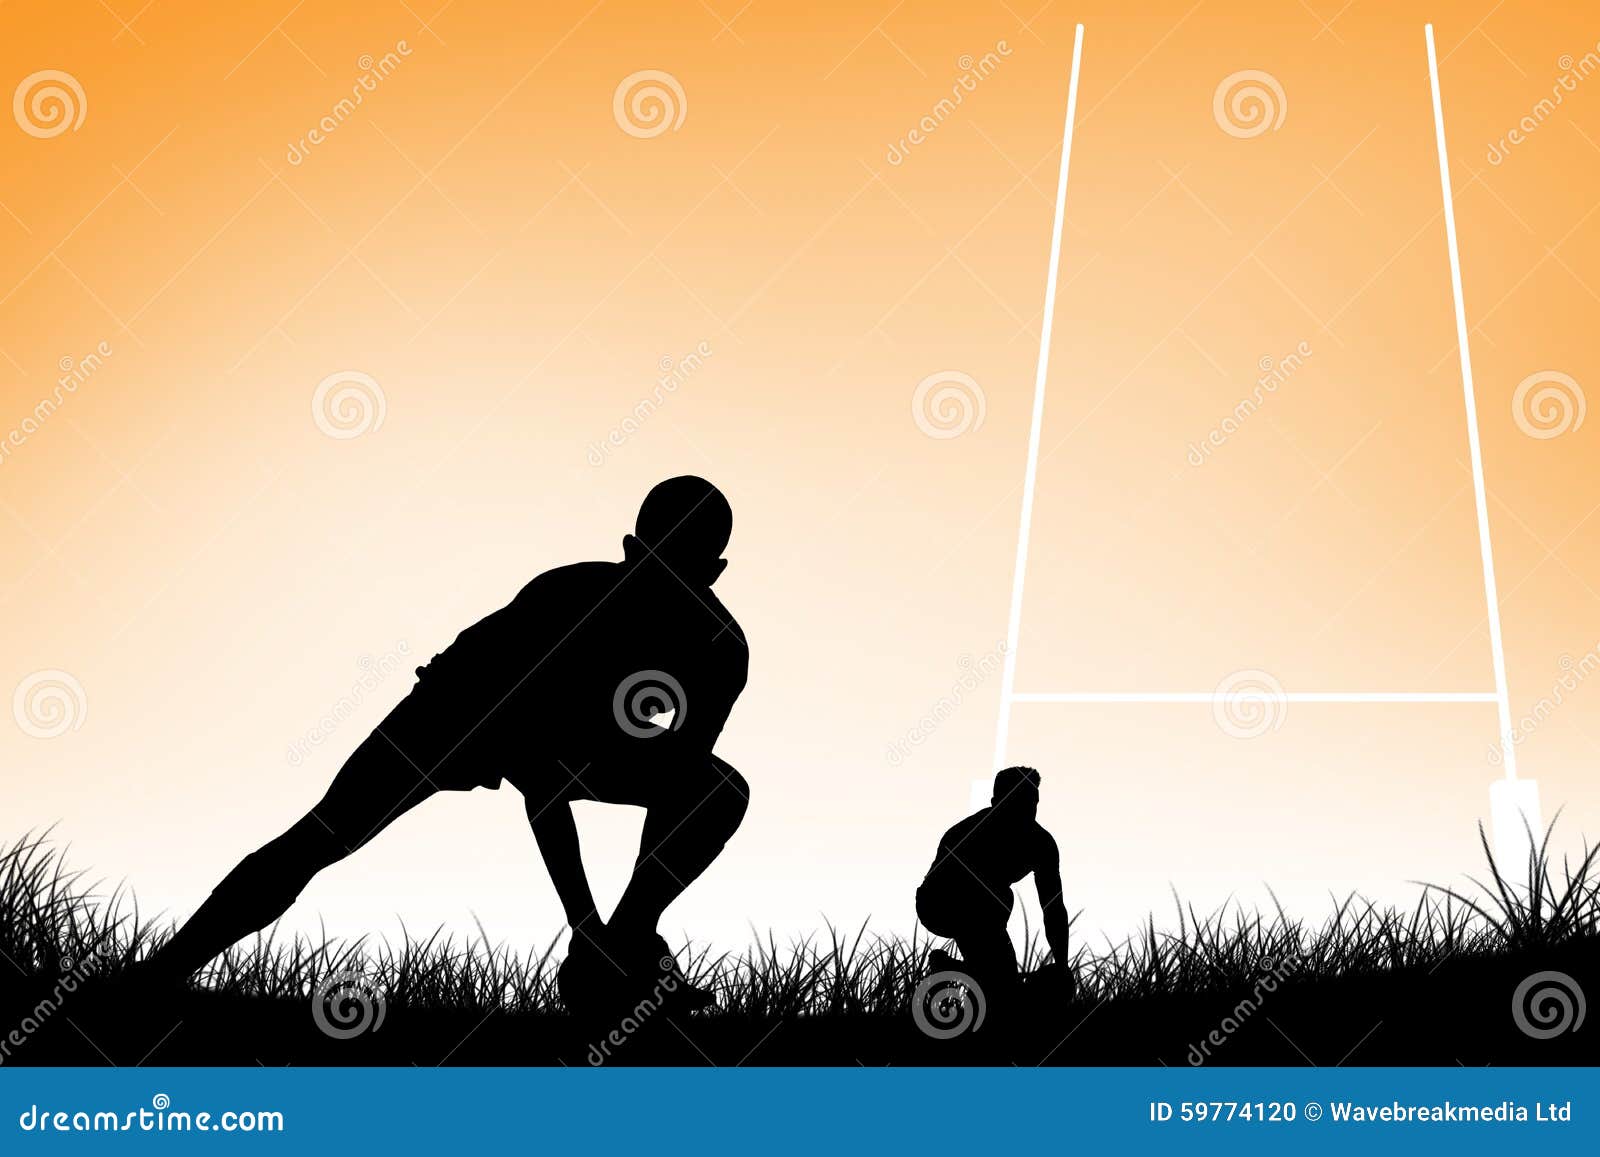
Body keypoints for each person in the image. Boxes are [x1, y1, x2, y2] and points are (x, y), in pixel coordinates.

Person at [143, 476, 750, 1010]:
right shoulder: (562, 599)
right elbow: (538, 776)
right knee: (324, 835)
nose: (661, 588)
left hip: (577, 738)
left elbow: (681, 777)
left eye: (682, 572)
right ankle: (154, 978)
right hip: (451, 713)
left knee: (718, 791)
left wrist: (607, 939)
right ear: (628, 552)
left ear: (714, 575)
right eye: (653, 566)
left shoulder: (722, 651)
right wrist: (581, 924)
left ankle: (626, 950)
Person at [915, 766, 1070, 997]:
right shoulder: (969, 834)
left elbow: (1053, 906)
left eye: (1031, 802)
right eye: (1016, 802)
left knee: (1002, 981)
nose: (1025, 811)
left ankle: (954, 969)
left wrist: (1062, 965)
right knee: (997, 900)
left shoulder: (1043, 844)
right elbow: (949, 889)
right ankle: (973, 975)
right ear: (995, 802)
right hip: (938, 903)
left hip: (986, 907)